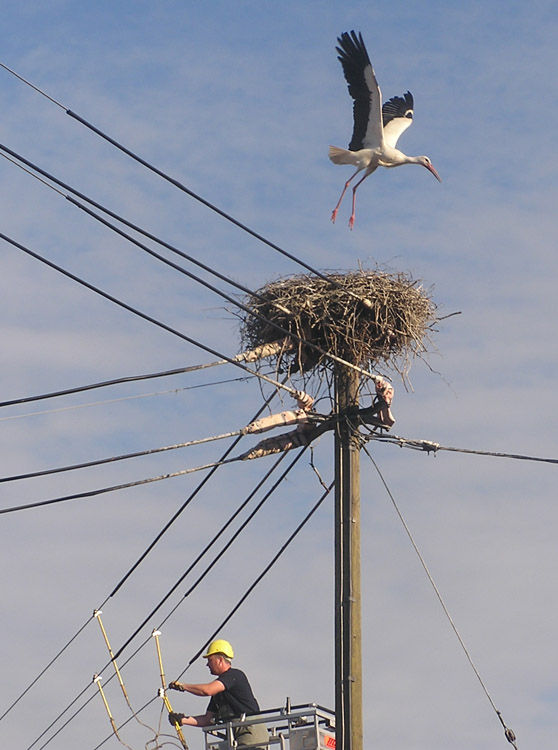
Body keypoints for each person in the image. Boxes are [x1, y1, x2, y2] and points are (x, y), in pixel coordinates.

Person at [168, 638, 269, 748]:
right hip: (237, 736)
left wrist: (183, 686)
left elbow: (207, 690)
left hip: (251, 735)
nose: (207, 665)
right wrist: (182, 720)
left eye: (210, 660)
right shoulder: (219, 693)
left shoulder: (234, 675)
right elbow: (208, 719)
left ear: (220, 660)